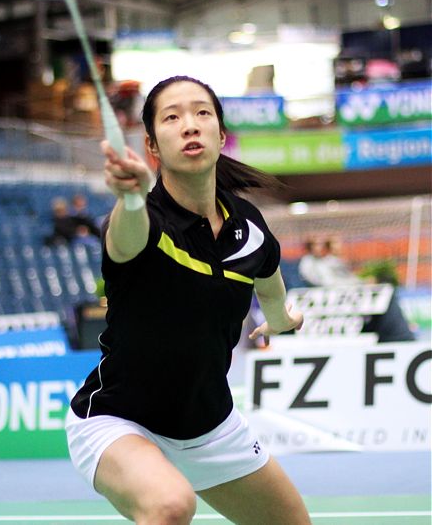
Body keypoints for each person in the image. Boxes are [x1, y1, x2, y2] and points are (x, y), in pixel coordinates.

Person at [66, 76, 310, 524]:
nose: (190, 125)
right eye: (172, 117)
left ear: (221, 134)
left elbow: (270, 283)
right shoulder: (145, 220)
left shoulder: (249, 225)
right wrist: (133, 199)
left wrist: (279, 319)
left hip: (211, 426)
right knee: (171, 504)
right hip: (120, 419)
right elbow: (124, 242)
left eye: (201, 113)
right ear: (152, 145)